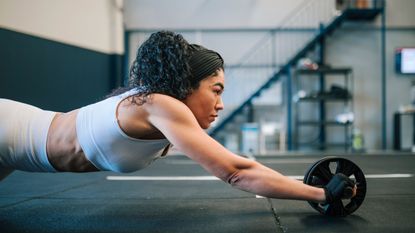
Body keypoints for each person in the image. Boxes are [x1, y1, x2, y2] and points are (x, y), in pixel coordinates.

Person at [0, 30, 355, 204]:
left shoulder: (158, 109)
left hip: (16, 144)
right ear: (185, 85)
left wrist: (312, 188)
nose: (220, 103)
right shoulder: (159, 105)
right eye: (216, 90)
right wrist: (322, 195)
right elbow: (236, 173)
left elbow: (242, 164)